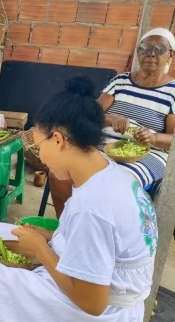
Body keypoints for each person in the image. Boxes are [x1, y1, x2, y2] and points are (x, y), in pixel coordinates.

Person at [0, 77, 157, 322]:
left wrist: (42, 249)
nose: (39, 155)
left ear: (58, 140)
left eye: (38, 145)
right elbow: (102, 243)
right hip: (100, 285)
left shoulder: (91, 205)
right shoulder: (113, 174)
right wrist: (55, 235)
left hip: (95, 314)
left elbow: (93, 303)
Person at [50, 27, 175, 216]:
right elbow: (91, 116)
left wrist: (153, 136)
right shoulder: (121, 81)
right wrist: (109, 119)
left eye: (159, 48)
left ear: (171, 55)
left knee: (111, 188)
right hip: (104, 144)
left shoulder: (172, 92)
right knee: (60, 173)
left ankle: (99, 236)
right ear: (138, 53)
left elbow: (172, 140)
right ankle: (65, 230)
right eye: (144, 48)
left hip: (147, 154)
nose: (150, 53)